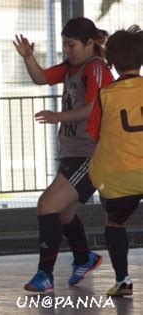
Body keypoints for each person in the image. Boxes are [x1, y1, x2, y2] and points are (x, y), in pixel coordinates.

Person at [13, 17, 114, 292]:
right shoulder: (73, 67)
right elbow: (40, 77)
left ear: (89, 43)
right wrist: (29, 57)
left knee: (46, 205)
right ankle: (84, 258)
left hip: (90, 154)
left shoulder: (95, 68)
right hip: (72, 153)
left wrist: (58, 116)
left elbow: (92, 108)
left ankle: (45, 275)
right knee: (63, 215)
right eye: (64, 45)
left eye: (71, 45)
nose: (67, 51)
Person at [86, 25, 143, 297]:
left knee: (115, 222)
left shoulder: (105, 94)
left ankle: (123, 281)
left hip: (120, 174)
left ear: (113, 62)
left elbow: (93, 132)